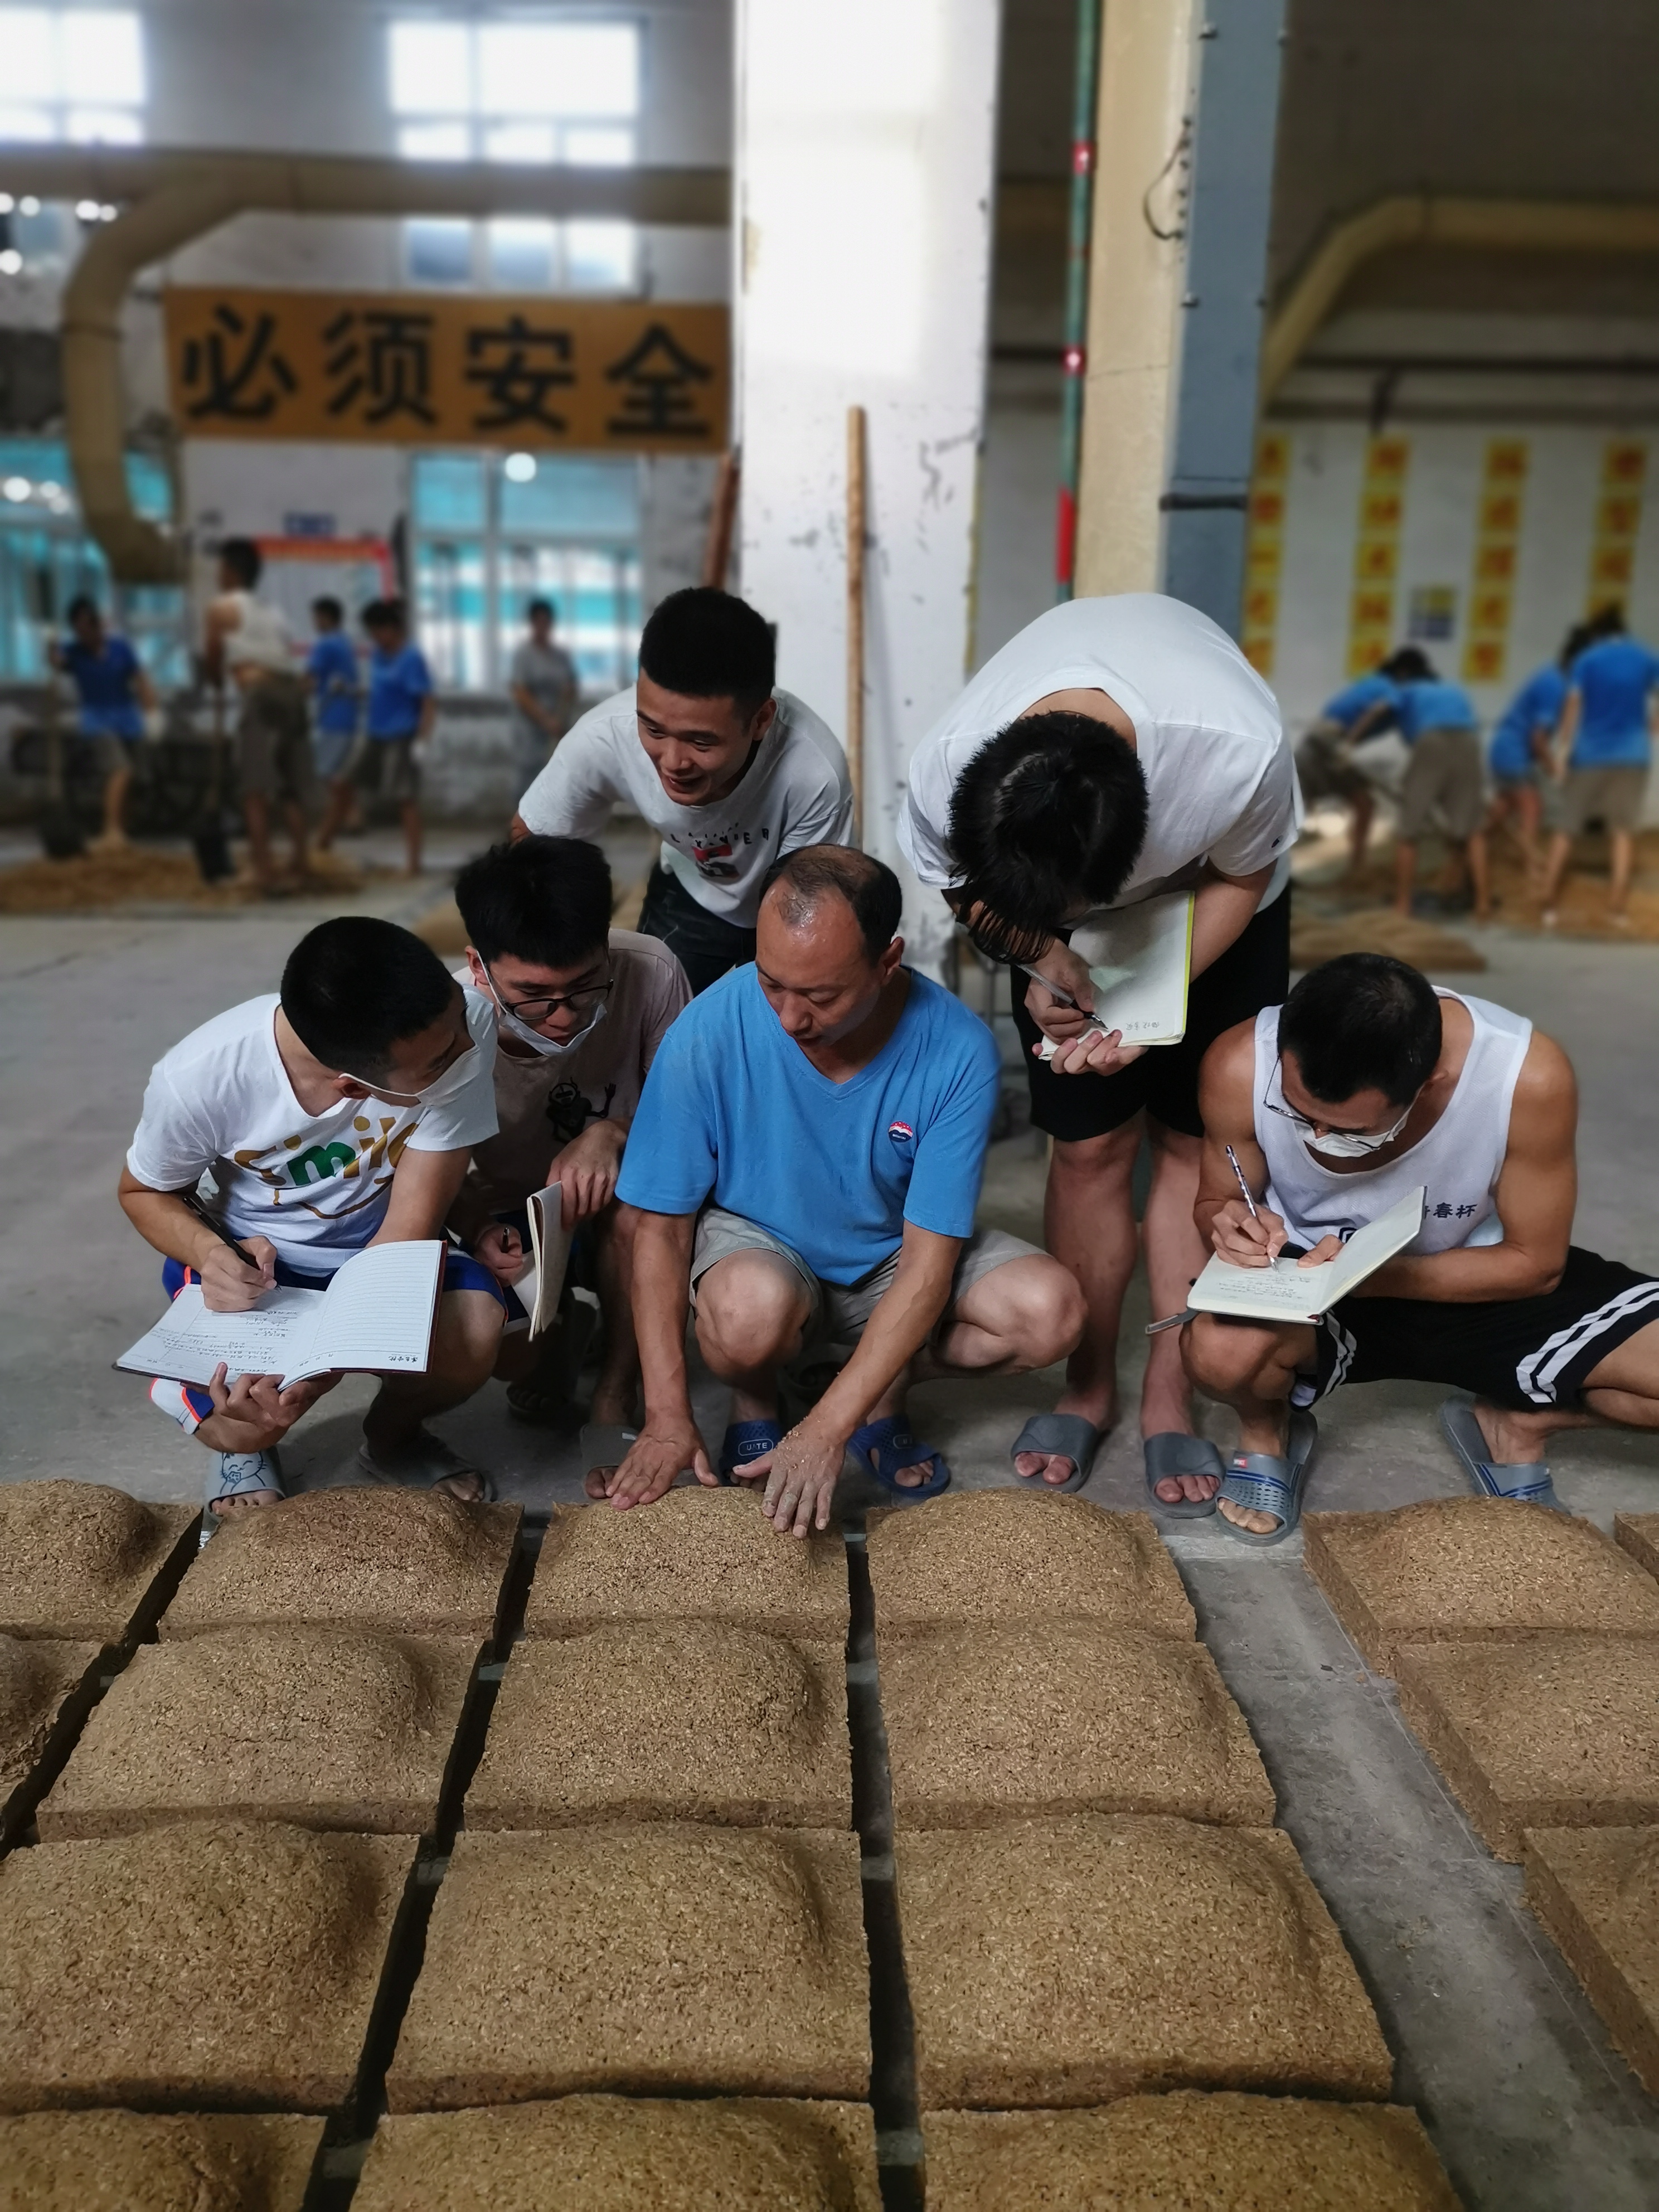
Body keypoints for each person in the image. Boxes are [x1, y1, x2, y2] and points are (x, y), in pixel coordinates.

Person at [894, 592, 1298, 1508]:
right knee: (1086, 1148)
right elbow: (963, 889)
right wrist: (1044, 957)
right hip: (1055, 911)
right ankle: (1087, 1383)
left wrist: (1143, 1006)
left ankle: (1169, 1391)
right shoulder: (945, 772)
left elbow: (1243, 874)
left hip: (1220, 898)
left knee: (1192, 1146)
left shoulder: (1232, 753)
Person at [601, 846, 1085, 1532]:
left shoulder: (957, 1048)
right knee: (745, 1313)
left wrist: (827, 1428)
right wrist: (666, 1416)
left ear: (888, 961)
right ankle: (755, 1396)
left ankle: (876, 1387)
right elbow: (659, 1229)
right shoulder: (709, 1029)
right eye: (772, 983)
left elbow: (927, 1266)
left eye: (821, 996)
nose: (789, 1017)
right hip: (760, 1246)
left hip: (890, 1255)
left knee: (1051, 1312)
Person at [1181, 953, 1659, 1540]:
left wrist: (1362, 1273)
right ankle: (1266, 1431)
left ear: (1432, 1083)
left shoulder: (1525, 1076)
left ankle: (1518, 1424)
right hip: (1309, 1282)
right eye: (1298, 1113)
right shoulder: (1240, 1064)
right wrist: (1229, 1222)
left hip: (1477, 1277)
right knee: (1219, 1352)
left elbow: (1535, 1265)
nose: (1320, 1137)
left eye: (1351, 1129)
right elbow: (1218, 1198)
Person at [119, 916, 507, 1521]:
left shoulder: (459, 1026)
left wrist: (319, 1367)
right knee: (245, 1417)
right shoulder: (200, 1080)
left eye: (460, 1022)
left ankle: (394, 1436)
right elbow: (143, 1190)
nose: (469, 1050)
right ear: (354, 1088)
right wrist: (213, 1256)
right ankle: (243, 1448)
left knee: (475, 1329)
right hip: (263, 1264)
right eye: (439, 1062)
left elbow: (406, 1228)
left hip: (383, 1243)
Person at [447, 833, 690, 1435]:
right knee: (502, 1348)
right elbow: (427, 1170)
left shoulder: (651, 970)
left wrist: (612, 1133)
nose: (561, 1016)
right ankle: (558, 1332)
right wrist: (479, 1227)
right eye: (532, 996)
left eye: (584, 987)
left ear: (605, 945)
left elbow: (695, 1117)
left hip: (625, 1187)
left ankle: (616, 1388)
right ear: (479, 967)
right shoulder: (447, 1023)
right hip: (511, 1206)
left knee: (640, 1210)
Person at [513, 586, 852, 996]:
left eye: (701, 742)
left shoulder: (814, 771)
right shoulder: (603, 737)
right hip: (690, 893)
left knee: (785, 1021)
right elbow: (530, 843)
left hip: (789, 903)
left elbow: (811, 900)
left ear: (761, 720)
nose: (673, 762)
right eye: (654, 730)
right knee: (646, 1015)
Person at [1538, 608, 1659, 932]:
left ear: (1598, 633)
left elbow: (1573, 705)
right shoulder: (1645, 657)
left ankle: (1547, 901)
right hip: (1633, 755)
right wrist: (1652, 726)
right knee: (1623, 833)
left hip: (1591, 754)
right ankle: (1616, 910)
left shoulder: (1587, 659)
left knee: (1566, 828)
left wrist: (1563, 750)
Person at [203, 537, 312, 893]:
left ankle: (262, 870)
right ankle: (300, 863)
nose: (217, 575)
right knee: (290, 785)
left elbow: (213, 658)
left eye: (220, 568)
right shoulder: (274, 612)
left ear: (231, 572)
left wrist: (216, 681)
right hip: (292, 694)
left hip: (260, 693)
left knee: (255, 787)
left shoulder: (221, 608)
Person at [320, 598, 433, 877]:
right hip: (374, 733)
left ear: (392, 629)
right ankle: (322, 845)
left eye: (378, 631)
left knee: (405, 798)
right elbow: (380, 691)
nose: (375, 638)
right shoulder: (378, 655)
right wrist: (351, 691)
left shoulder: (411, 658)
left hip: (402, 736)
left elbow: (428, 702)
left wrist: (422, 740)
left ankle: (414, 864)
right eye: (371, 632)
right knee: (342, 782)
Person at [1296, 647, 1430, 879]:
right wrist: (1349, 744)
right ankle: (1355, 869)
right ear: (1405, 672)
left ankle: (1354, 866)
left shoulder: (1375, 683)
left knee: (1358, 803)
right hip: (1329, 742)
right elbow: (1375, 712)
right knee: (1362, 804)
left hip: (1321, 740)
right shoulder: (1391, 688)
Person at [50, 594, 157, 852]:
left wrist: (153, 712)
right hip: (97, 720)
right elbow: (56, 662)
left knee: (135, 776)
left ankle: (123, 831)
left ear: (99, 624)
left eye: (91, 625)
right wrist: (50, 645)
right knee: (120, 769)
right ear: (76, 630)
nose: (87, 633)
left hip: (127, 718)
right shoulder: (73, 652)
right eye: (81, 628)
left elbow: (141, 680)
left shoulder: (120, 648)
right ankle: (111, 830)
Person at [1486, 627, 1588, 886]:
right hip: (1512, 752)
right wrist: (1556, 771)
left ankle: (1472, 847)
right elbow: (1538, 739)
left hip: (1509, 750)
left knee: (1503, 808)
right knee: (1532, 806)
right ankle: (1531, 868)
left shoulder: (1554, 678)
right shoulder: (1554, 685)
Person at [1389, 669, 1488, 920]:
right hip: (1469, 742)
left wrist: (1353, 739)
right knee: (1473, 830)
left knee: (1408, 832)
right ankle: (1483, 904)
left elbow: (1386, 713)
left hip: (1432, 740)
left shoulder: (1408, 690)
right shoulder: (1455, 690)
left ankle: (1403, 906)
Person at [305, 596, 361, 848]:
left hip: (331, 717)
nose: (314, 623)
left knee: (329, 774)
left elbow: (309, 679)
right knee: (337, 772)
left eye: (316, 617)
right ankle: (352, 815)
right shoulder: (345, 643)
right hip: (347, 716)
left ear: (325, 617)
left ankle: (337, 823)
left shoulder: (325, 644)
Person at [508, 597, 579, 787]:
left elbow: (571, 684)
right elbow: (521, 693)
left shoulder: (560, 656)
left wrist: (567, 696)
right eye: (538, 621)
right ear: (532, 623)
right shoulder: (524, 655)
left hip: (557, 728)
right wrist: (546, 721)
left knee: (556, 781)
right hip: (531, 732)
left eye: (546, 621)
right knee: (529, 781)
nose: (543, 626)